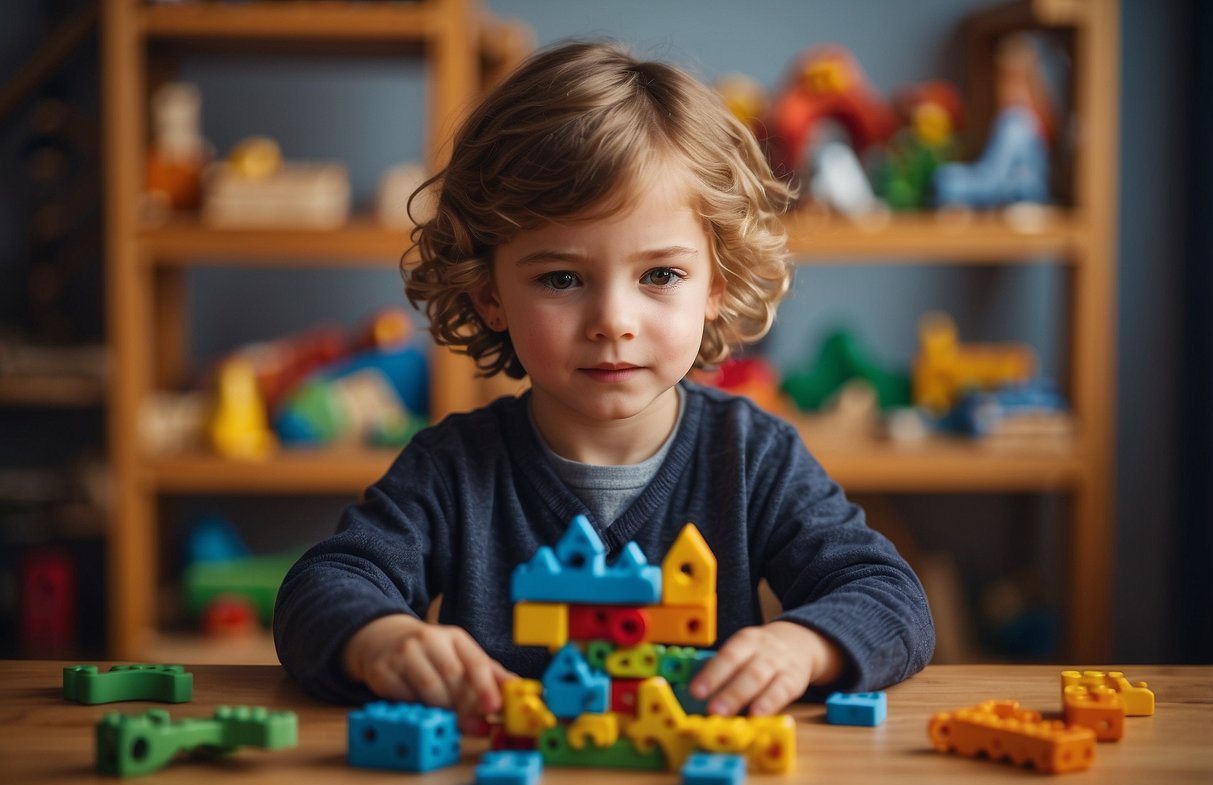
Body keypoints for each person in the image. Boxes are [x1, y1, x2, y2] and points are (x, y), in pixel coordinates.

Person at [273, 41, 934, 730]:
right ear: (489, 295)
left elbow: (891, 599)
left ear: (718, 283)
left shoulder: (752, 457)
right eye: (561, 279)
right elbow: (318, 592)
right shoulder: (450, 469)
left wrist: (802, 645)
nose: (612, 322)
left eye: (659, 276)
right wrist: (382, 640)